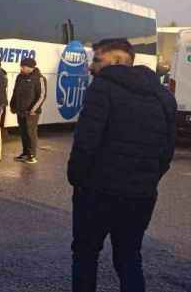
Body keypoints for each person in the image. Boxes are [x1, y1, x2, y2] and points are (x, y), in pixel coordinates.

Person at [68, 39, 176, 292]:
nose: (91, 67)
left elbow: (85, 143)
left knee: (85, 254)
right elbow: (167, 152)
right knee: (129, 256)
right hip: (141, 195)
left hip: (97, 192)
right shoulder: (163, 95)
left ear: (117, 61)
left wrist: (77, 179)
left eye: (97, 60)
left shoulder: (102, 88)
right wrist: (148, 180)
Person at [10, 57, 46, 164]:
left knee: (31, 133)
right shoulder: (20, 77)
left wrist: (33, 109)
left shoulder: (40, 78)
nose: (21, 68)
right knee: (23, 132)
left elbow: (42, 96)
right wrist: (13, 105)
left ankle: (32, 155)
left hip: (32, 112)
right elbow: (15, 92)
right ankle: (25, 153)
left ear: (30, 67)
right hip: (20, 110)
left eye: (23, 66)